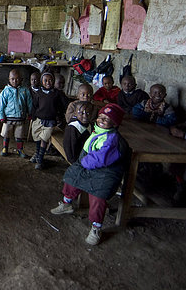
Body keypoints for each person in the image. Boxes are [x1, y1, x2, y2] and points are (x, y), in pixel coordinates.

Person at [50, 103, 128, 246]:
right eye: (100, 117)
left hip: (106, 172)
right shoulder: (98, 130)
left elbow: (101, 158)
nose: (101, 120)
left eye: (106, 119)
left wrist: (84, 162)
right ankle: (67, 203)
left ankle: (96, 227)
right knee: (73, 176)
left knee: (98, 196)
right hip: (91, 165)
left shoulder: (113, 139)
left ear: (115, 124)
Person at [29, 71, 69, 169]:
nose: (48, 82)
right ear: (41, 81)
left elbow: (64, 105)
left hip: (50, 121)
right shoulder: (38, 93)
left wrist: (61, 116)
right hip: (38, 120)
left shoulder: (57, 94)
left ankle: (40, 159)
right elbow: (34, 106)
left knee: (44, 139)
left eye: (50, 80)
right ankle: (38, 154)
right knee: (38, 138)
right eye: (45, 80)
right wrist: (32, 116)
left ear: (53, 81)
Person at [0, 69, 33, 158]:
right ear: (9, 79)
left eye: (17, 79)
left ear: (21, 79)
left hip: (20, 117)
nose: (15, 81)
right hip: (8, 118)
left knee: (19, 135)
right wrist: (1, 116)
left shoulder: (25, 90)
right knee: (7, 134)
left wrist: (30, 113)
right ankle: (5, 148)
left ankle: (20, 150)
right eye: (12, 79)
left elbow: (29, 103)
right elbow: (1, 105)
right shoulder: (5, 91)